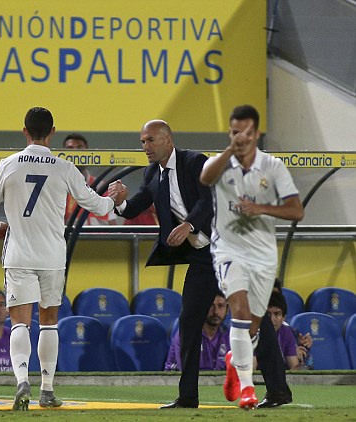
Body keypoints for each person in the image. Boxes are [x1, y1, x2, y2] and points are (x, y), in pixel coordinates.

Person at [0, 107, 118, 411]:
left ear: (24, 131)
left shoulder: (9, 165)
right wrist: (114, 197)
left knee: (19, 323)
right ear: (52, 131)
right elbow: (95, 204)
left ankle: (21, 382)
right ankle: (47, 390)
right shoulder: (64, 167)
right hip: (52, 255)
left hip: (18, 253)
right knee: (50, 322)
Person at [109, 119, 219, 409]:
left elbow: (210, 200)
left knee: (254, 315)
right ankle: (188, 397)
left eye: (150, 140)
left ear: (168, 140)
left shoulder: (196, 162)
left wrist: (189, 224)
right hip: (202, 257)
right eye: (143, 141)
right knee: (189, 320)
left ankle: (278, 387)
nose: (145, 146)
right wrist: (120, 202)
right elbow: (135, 207)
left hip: (228, 249)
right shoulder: (152, 173)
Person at [200, 104, 304, 410]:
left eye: (245, 132)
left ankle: (235, 362)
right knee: (241, 312)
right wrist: (227, 151)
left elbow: (296, 210)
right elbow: (205, 178)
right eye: (234, 132)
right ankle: (247, 388)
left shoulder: (272, 167)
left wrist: (261, 209)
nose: (240, 138)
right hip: (228, 250)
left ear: (256, 133)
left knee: (253, 327)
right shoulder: (220, 164)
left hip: (262, 256)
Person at [165, 291, 230, 371]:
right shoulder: (187, 335)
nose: (216, 311)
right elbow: (187, 373)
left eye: (220, 306)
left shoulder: (230, 337)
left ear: (227, 309)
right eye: (210, 306)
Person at [63, 133, 117, 226]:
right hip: (71, 239)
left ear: (88, 152)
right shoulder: (61, 187)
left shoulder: (102, 186)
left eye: (80, 148)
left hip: (100, 239)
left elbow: (112, 222)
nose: (75, 153)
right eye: (70, 149)